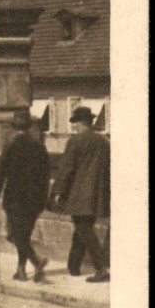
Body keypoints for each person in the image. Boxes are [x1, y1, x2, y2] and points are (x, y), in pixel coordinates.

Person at [0, 112, 51, 282]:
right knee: (23, 235)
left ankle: (34, 262)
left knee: (15, 235)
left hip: (15, 198)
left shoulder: (11, 146)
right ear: (29, 126)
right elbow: (46, 175)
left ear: (13, 127)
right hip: (35, 199)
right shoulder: (39, 146)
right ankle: (22, 268)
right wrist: (43, 199)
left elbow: (0, 174)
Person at [50, 105, 110, 282]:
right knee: (83, 227)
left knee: (84, 229)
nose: (74, 126)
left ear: (80, 122)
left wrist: (58, 192)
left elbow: (66, 169)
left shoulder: (75, 141)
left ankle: (101, 268)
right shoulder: (103, 142)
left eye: (75, 122)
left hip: (79, 194)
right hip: (97, 194)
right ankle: (74, 266)